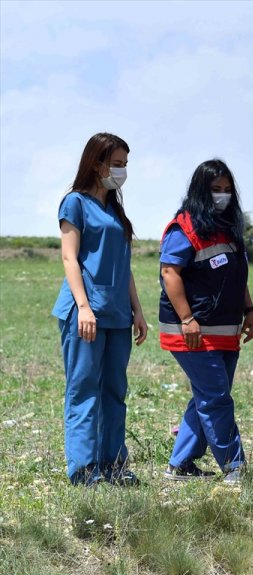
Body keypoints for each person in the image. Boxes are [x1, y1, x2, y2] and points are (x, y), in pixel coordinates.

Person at [52, 132, 148, 487]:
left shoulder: (115, 211)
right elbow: (69, 258)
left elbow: (124, 266)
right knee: (84, 390)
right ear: (96, 164)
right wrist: (84, 308)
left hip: (118, 314)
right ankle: (83, 470)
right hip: (85, 314)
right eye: (116, 164)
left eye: (125, 164)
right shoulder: (74, 203)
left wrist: (137, 310)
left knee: (114, 392)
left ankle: (113, 465)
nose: (122, 171)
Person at [158, 159, 253, 485]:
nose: (223, 196)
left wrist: (250, 310)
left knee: (208, 396)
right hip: (192, 333)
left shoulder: (228, 228)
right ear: (201, 191)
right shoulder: (183, 228)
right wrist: (187, 319)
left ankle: (180, 464)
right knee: (216, 398)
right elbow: (170, 273)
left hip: (226, 330)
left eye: (228, 190)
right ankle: (234, 467)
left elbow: (236, 276)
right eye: (216, 190)